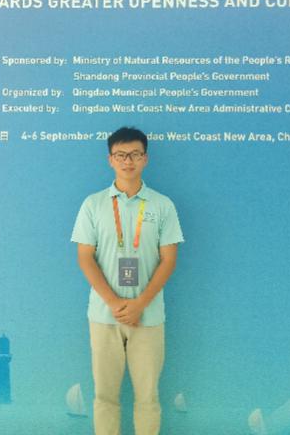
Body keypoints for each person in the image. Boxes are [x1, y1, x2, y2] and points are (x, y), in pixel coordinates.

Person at [71, 126, 184, 435]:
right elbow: (85, 257)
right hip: (103, 315)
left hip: (148, 316)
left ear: (145, 158)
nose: (128, 161)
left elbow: (169, 260)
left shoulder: (162, 205)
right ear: (110, 160)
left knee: (148, 397)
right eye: (121, 155)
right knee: (105, 396)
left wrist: (139, 304)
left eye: (135, 154)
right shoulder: (93, 204)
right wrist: (114, 302)